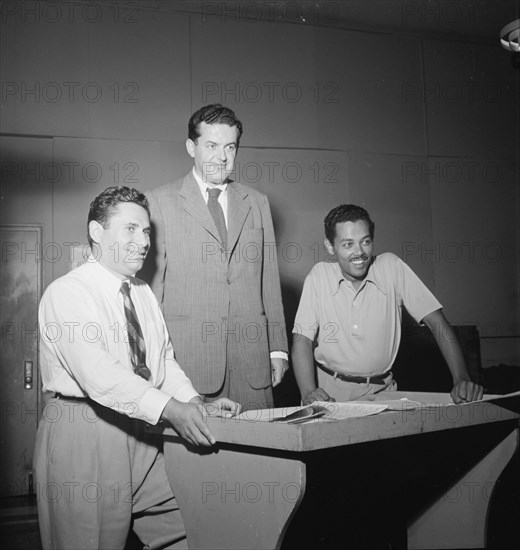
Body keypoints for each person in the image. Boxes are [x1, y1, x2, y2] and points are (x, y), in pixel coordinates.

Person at [34, 186, 240, 550]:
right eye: (130, 229)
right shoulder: (67, 293)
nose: (143, 241)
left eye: (146, 231)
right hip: (86, 431)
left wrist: (194, 401)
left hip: (145, 430)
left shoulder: (142, 291)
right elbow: (99, 374)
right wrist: (169, 409)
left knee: (188, 531)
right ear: (97, 233)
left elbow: (163, 360)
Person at [146, 104, 288, 411]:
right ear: (190, 147)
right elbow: (152, 293)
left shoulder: (257, 203)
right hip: (189, 367)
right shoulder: (159, 202)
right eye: (211, 146)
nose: (221, 157)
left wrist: (277, 349)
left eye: (230, 147)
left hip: (252, 365)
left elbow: (269, 280)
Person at [292, 203, 484, 405]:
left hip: (383, 393)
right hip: (331, 394)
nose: (359, 252)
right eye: (348, 244)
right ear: (330, 246)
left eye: (365, 241)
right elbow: (302, 340)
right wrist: (308, 392)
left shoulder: (391, 267)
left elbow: (437, 323)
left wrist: (461, 377)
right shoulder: (319, 276)